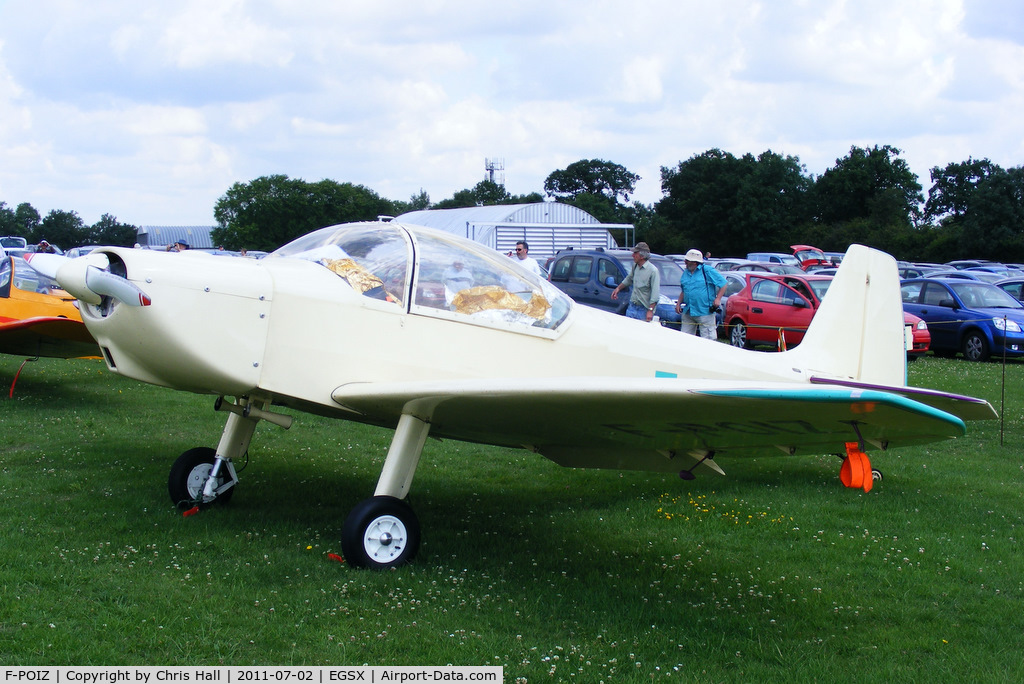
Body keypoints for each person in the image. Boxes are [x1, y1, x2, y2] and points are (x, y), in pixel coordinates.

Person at [675, 248, 727, 339]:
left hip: (705, 311)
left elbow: (723, 283)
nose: (685, 262)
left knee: (708, 340)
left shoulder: (707, 270)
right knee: (684, 339)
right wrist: (678, 303)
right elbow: (684, 290)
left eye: (687, 261)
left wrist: (718, 299)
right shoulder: (685, 273)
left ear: (694, 262)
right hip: (688, 311)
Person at [611, 242, 660, 322]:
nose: (632, 255)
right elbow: (629, 279)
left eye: (635, 253)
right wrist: (618, 289)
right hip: (632, 306)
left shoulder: (653, 271)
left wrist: (650, 311)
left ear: (642, 256)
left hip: (644, 309)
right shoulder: (635, 266)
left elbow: (655, 294)